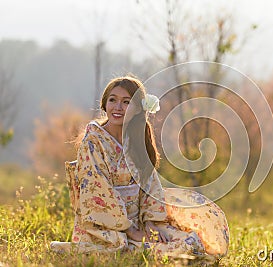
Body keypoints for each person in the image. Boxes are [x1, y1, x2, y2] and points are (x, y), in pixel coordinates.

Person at [50, 75, 229, 261]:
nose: (118, 107)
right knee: (152, 252)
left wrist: (151, 223)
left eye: (126, 102)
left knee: (190, 242)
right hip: (105, 225)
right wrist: (132, 231)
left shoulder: (135, 141)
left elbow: (150, 184)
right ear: (104, 105)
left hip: (139, 220)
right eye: (113, 100)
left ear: (137, 109)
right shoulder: (93, 142)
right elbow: (97, 188)